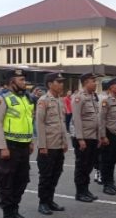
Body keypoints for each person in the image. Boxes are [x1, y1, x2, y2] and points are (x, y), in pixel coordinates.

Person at [0, 69, 34, 218]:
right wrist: (2, 147)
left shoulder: (25, 98)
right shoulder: (2, 98)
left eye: (24, 79)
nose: (25, 82)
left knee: (22, 179)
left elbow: (28, 121)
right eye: (21, 80)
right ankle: (8, 212)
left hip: (23, 145)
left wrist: (30, 141)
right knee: (6, 180)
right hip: (9, 146)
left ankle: (15, 208)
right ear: (12, 82)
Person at [36, 72, 68, 215]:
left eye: (62, 82)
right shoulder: (44, 100)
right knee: (46, 175)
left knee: (56, 173)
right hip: (48, 146)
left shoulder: (60, 100)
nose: (61, 84)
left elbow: (62, 123)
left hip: (59, 144)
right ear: (50, 84)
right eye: (58, 82)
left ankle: (50, 200)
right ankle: (43, 203)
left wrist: (65, 142)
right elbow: (40, 123)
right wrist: (42, 145)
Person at [71, 73, 100, 203]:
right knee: (81, 166)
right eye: (93, 81)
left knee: (88, 165)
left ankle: (85, 189)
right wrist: (80, 139)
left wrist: (99, 136)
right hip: (83, 137)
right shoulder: (79, 97)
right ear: (86, 83)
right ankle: (79, 192)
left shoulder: (93, 97)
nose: (95, 83)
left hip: (92, 137)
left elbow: (96, 118)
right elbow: (76, 119)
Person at [99, 77, 116, 195]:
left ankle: (111, 182)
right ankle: (106, 184)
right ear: (111, 87)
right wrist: (103, 136)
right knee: (107, 160)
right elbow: (102, 119)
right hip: (109, 133)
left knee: (113, 159)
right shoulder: (105, 100)